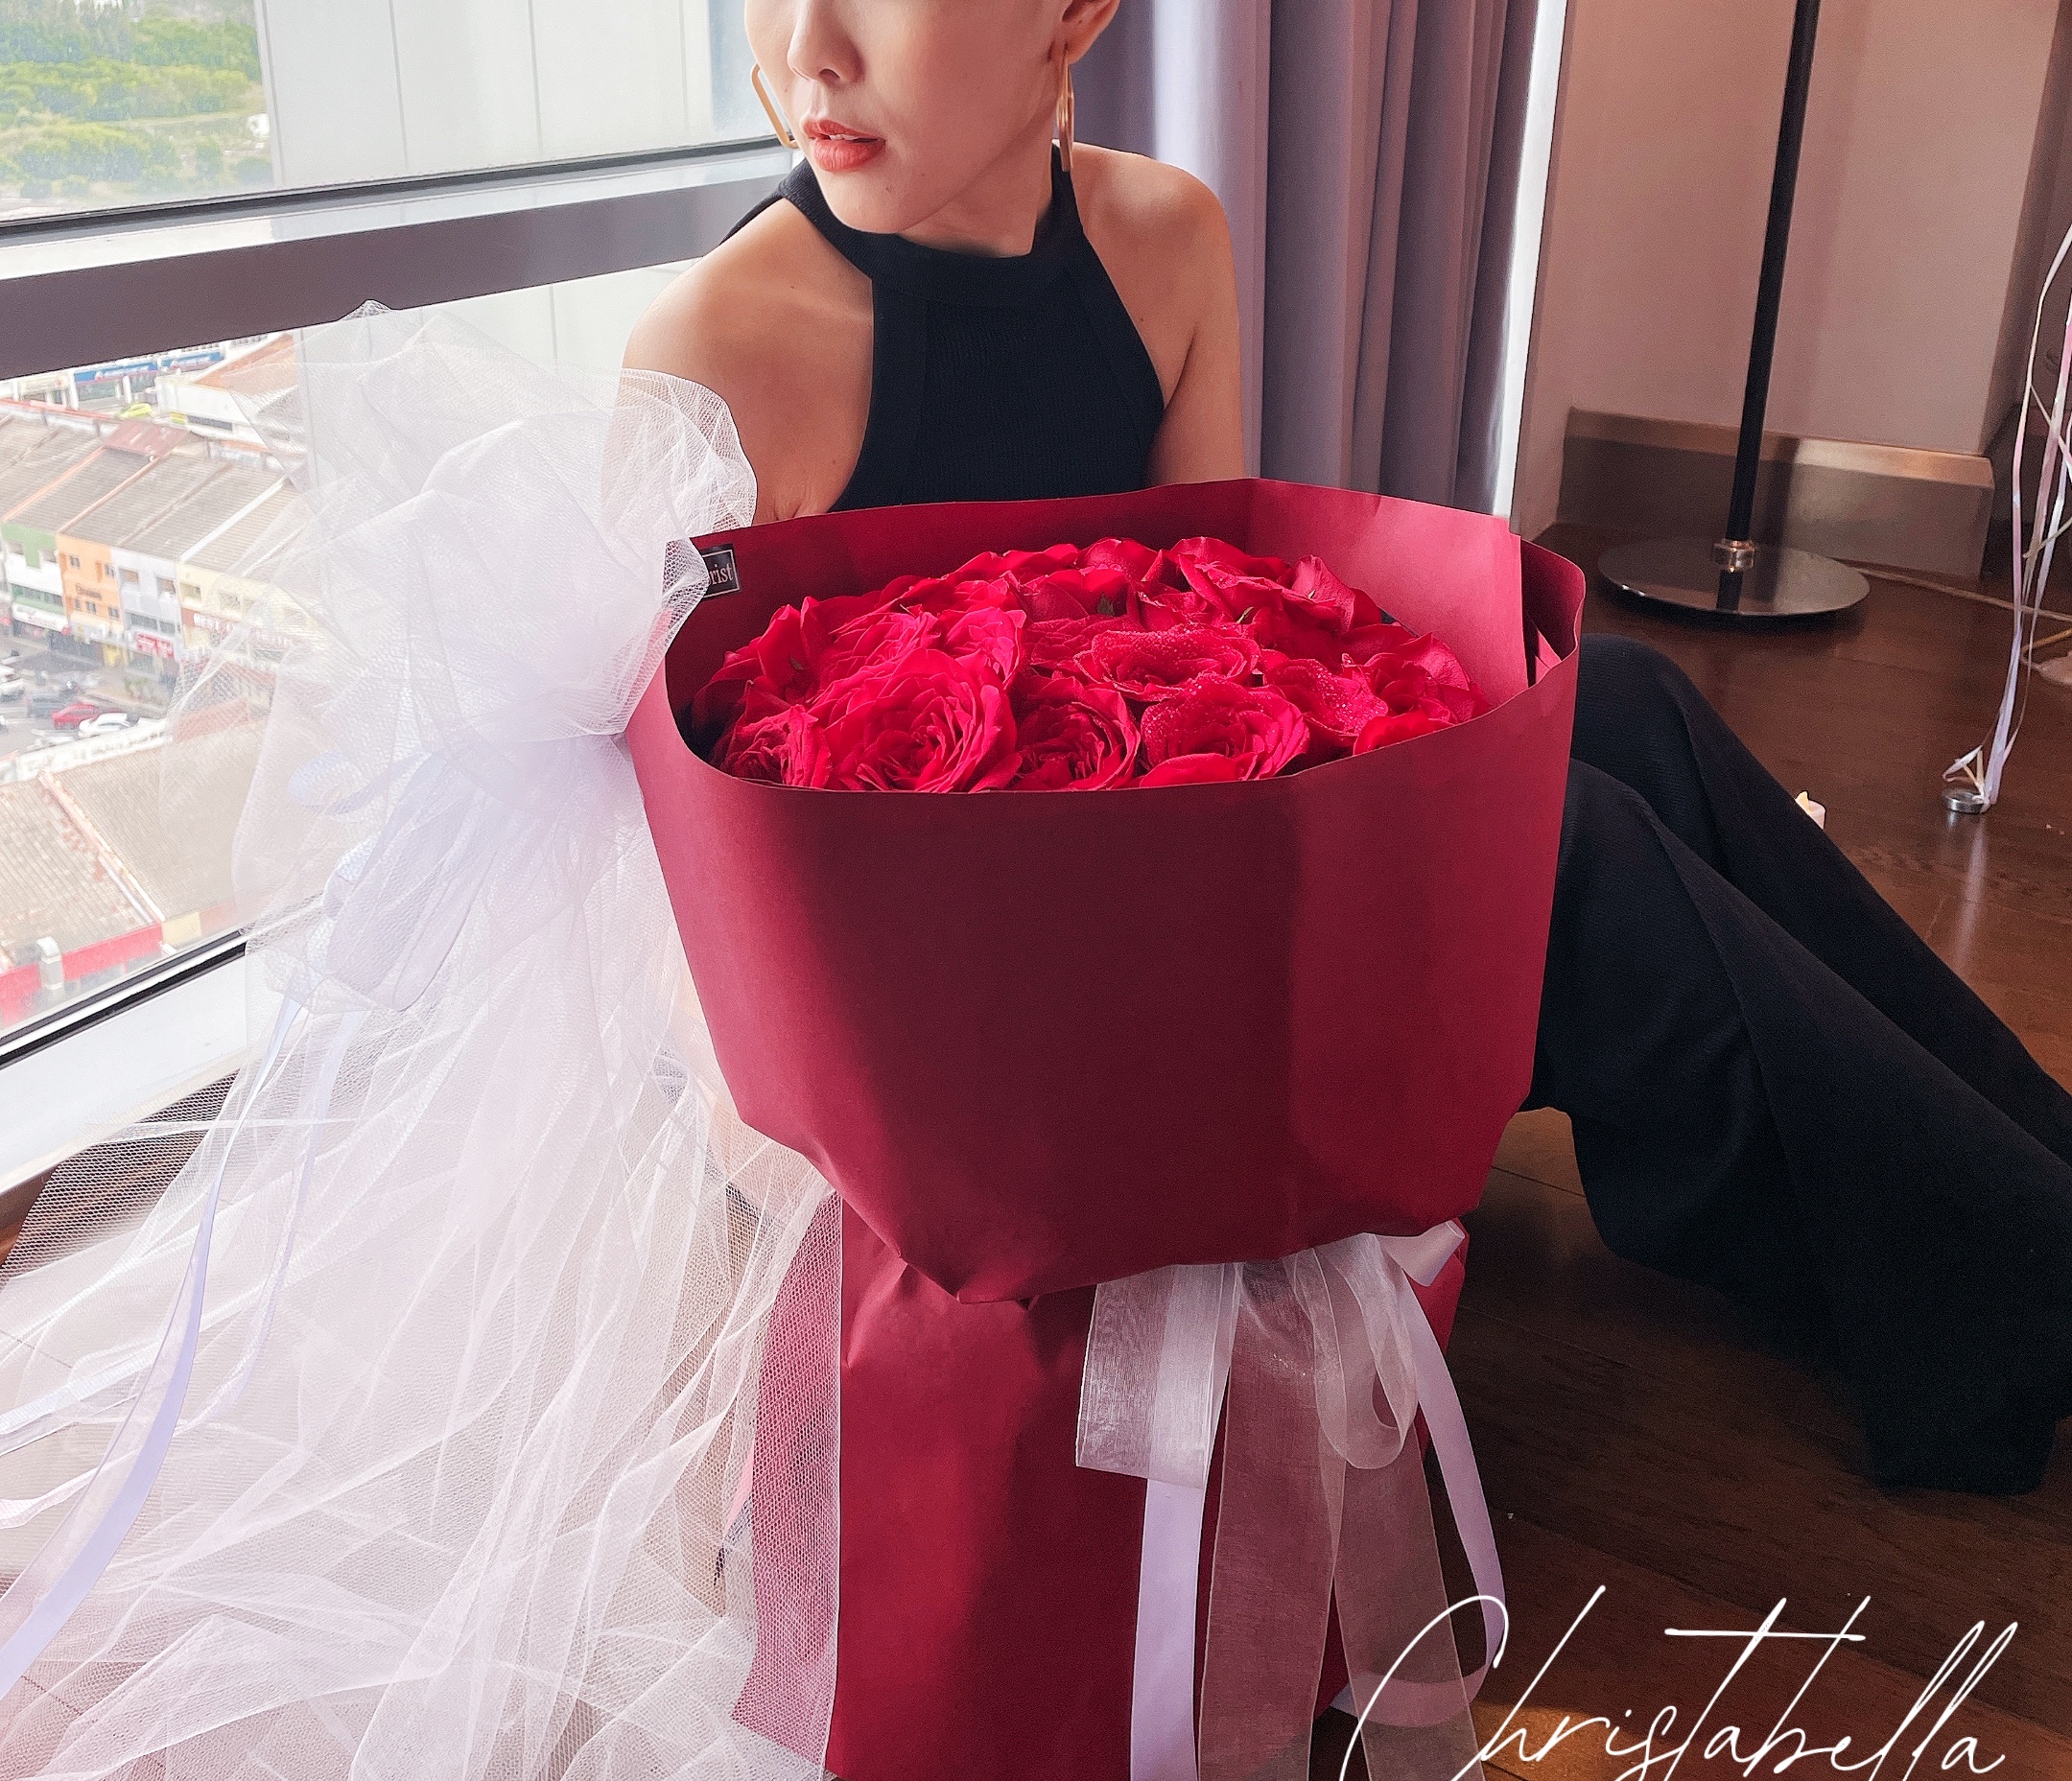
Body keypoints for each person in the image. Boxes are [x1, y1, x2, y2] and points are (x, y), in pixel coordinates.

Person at [629, 0, 2072, 1497]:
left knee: (1623, 705)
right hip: (990, 1028)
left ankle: (2031, 1165)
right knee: (1566, 848)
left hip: (1180, 866)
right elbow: (708, 895)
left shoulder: (1162, 235)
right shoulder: (718, 349)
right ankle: (2011, 1290)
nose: (804, 48)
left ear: (1075, 13)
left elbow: (1220, 631)